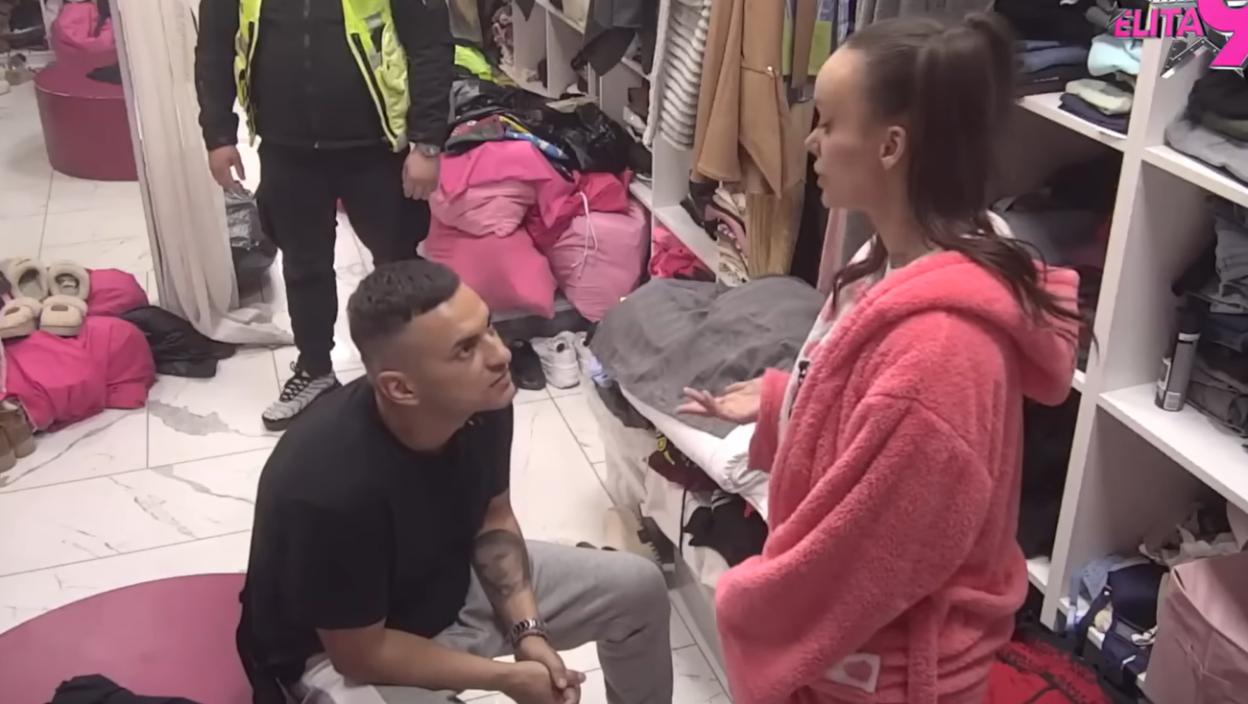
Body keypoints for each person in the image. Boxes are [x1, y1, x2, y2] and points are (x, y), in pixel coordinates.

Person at [679, 12, 1082, 704]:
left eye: (829, 123)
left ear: (891, 146)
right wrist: (786, 401)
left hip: (888, 674)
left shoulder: (939, 355)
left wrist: (747, 604)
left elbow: (867, 554)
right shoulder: (887, 260)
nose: (811, 141)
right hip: (868, 656)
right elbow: (864, 416)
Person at [236, 259, 675, 704]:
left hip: (446, 583)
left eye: (488, 328)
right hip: (339, 653)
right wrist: (507, 679)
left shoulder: (483, 397)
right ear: (401, 388)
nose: (500, 355)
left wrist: (529, 632)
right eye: (465, 349)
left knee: (636, 588)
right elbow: (360, 656)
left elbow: (494, 517)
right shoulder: (327, 487)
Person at [195, 0, 453, 431]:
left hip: (376, 146)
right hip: (285, 147)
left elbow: (430, 45)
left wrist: (427, 142)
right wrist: (218, 134)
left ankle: (411, 367)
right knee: (303, 266)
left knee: (398, 265)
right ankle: (315, 370)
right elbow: (214, 49)